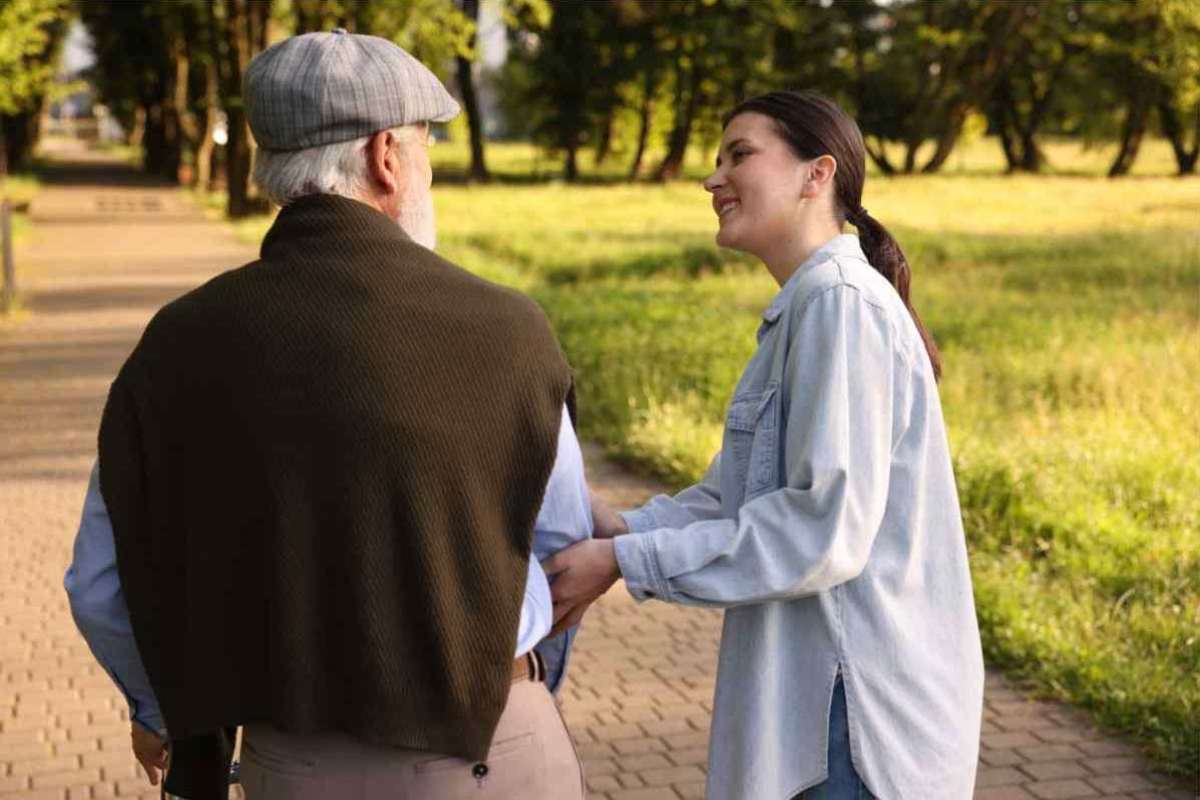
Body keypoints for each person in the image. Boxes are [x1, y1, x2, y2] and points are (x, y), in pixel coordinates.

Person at [65, 30, 589, 800]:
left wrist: (166, 713)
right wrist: (530, 679)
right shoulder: (510, 329)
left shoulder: (176, 342)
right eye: (425, 147)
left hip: (295, 763)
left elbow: (100, 584)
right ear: (386, 156)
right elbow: (561, 546)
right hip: (495, 748)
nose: (429, 169)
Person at [544, 90, 985, 800]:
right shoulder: (808, 307)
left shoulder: (842, 304)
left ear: (818, 174)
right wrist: (622, 526)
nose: (713, 178)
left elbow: (821, 527)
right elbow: (738, 500)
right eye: (718, 159)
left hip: (850, 722)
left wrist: (626, 559)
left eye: (740, 154)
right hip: (816, 717)